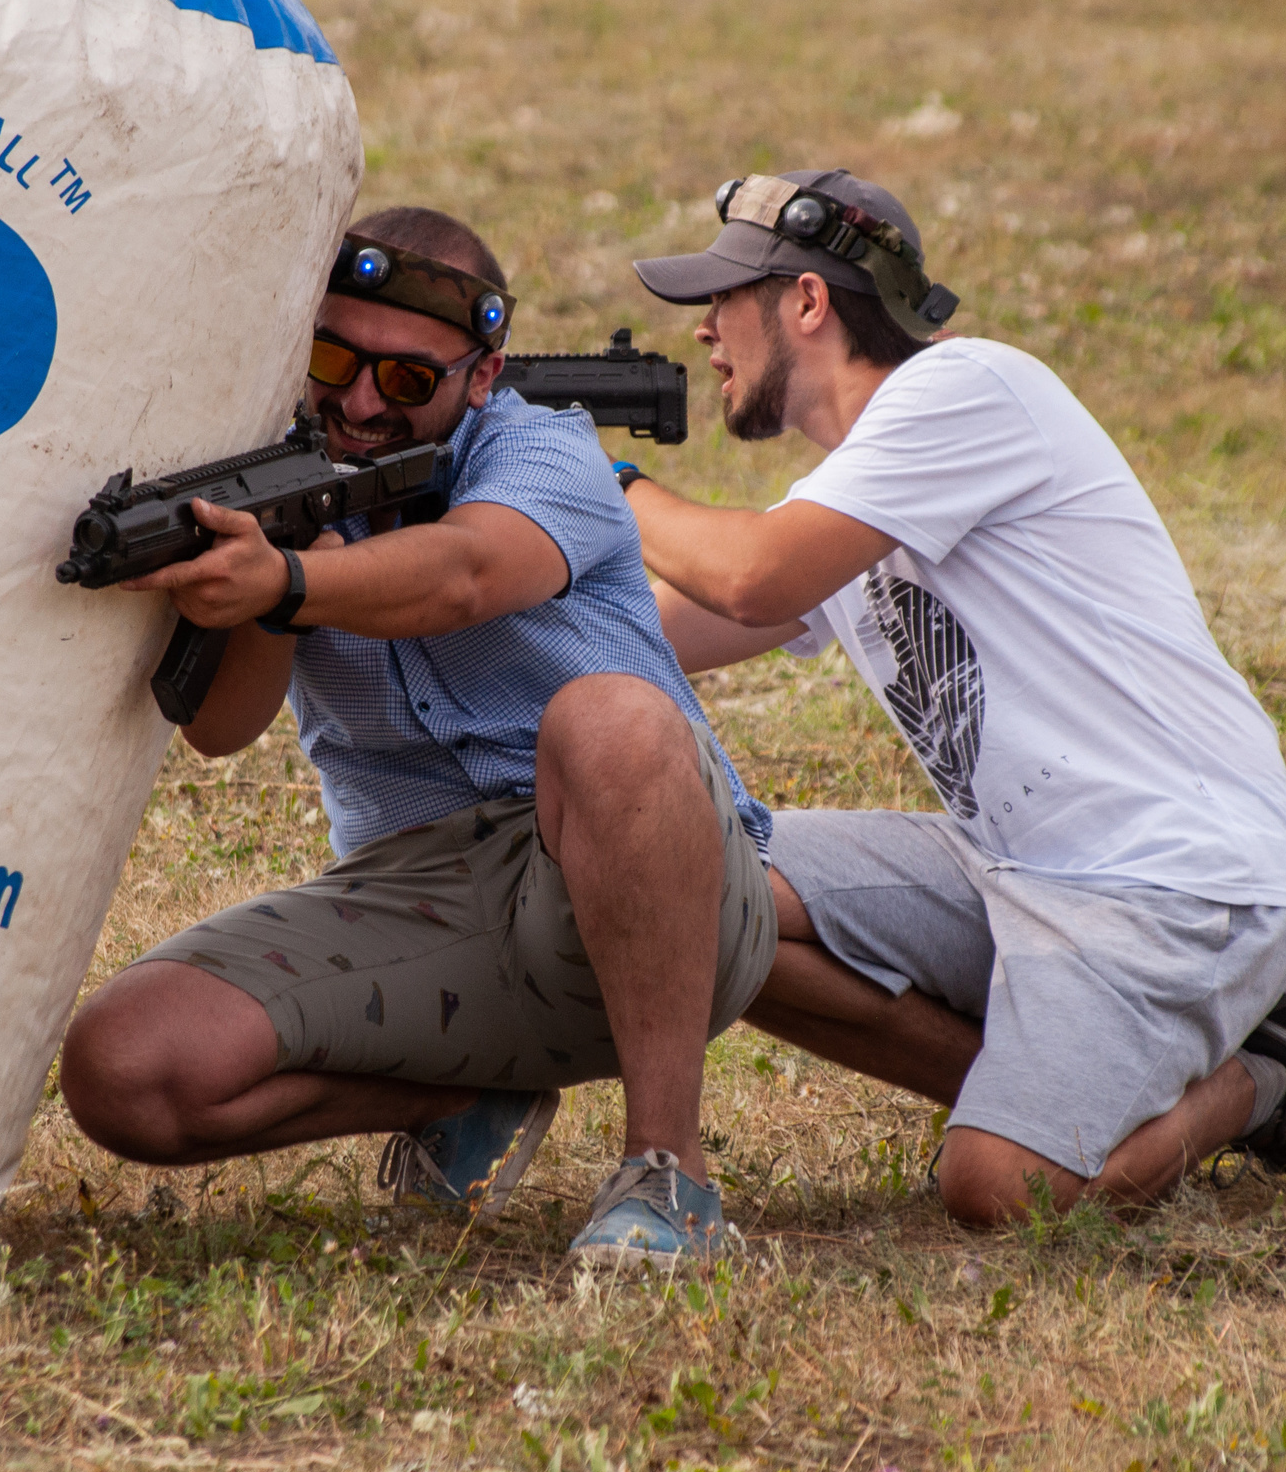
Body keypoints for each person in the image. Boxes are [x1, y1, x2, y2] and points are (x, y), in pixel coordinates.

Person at [614, 168, 1286, 1227]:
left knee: (998, 1194)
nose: (705, 330)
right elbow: (664, 623)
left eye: (722, 298)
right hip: (1014, 870)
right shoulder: (852, 494)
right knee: (697, 896)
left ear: (807, 301)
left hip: (1171, 884)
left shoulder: (965, 392)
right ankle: (1062, 1097)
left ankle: (1261, 1078)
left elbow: (753, 575)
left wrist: (603, 490)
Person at [59, 208, 776, 1267]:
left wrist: (291, 580)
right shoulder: (279, 471)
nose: (357, 401)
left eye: (405, 383)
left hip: (652, 878)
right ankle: (466, 1087)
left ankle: (668, 1174)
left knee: (609, 716)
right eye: (332, 359)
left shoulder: (542, 450)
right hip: (422, 897)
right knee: (125, 1070)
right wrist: (266, 568)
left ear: (479, 380)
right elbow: (220, 729)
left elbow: (466, 574)